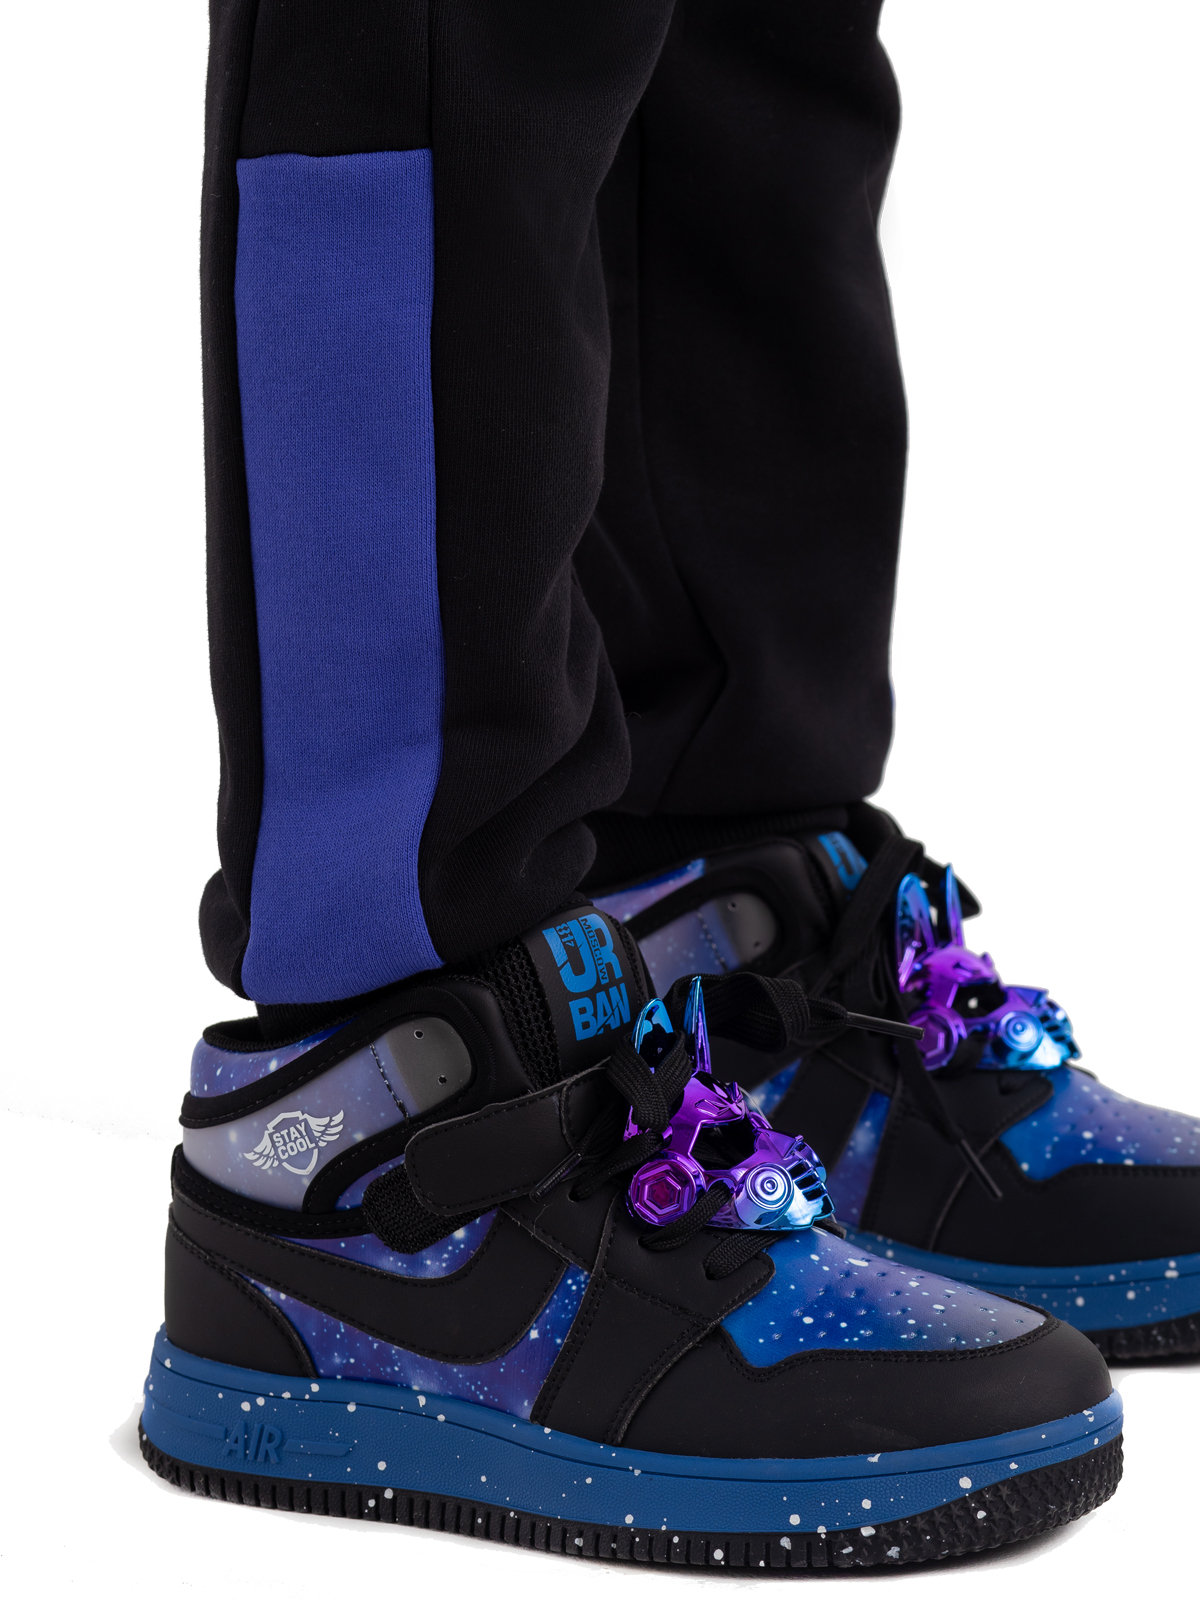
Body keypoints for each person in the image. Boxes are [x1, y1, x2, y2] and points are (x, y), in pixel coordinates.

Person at [142, 0, 1188, 1565]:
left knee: (747, 56)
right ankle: (385, 1119)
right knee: (445, 45)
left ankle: (738, 930)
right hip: (390, 1123)